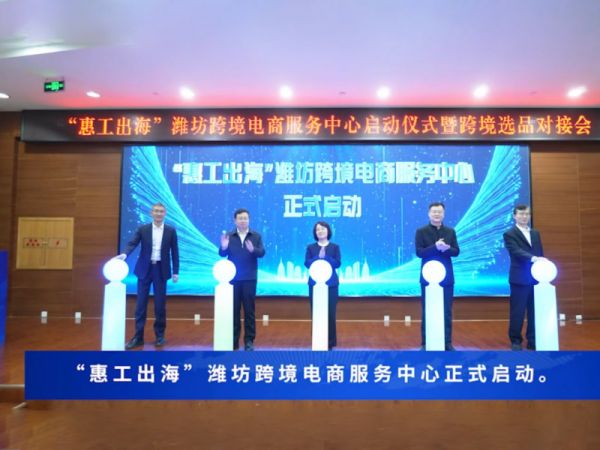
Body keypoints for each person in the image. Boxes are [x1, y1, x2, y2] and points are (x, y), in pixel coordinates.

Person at [117, 202, 179, 349]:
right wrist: (125, 254)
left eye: (161, 211)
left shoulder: (171, 231)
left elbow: (175, 251)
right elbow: (132, 243)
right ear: (151, 213)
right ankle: (138, 337)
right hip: (144, 269)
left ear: (165, 214)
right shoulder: (143, 229)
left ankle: (160, 336)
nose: (158, 213)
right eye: (156, 211)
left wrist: (176, 271)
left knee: (160, 305)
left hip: (161, 270)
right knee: (140, 305)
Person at [415, 202, 460, 351]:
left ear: (443, 214)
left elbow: (456, 252)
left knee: (446, 311)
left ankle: (447, 342)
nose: (437, 214)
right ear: (429, 214)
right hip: (428, 277)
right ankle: (425, 342)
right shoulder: (421, 231)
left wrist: (445, 248)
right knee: (427, 310)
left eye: (439, 212)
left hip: (446, 278)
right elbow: (419, 253)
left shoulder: (450, 231)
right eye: (434, 212)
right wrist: (435, 247)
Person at [219, 208, 265, 351]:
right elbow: (222, 254)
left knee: (249, 310)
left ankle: (249, 341)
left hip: (250, 278)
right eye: (240, 218)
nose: (243, 221)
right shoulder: (229, 236)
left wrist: (253, 250)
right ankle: (233, 340)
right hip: (232, 278)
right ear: (235, 220)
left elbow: (262, 253)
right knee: (234, 310)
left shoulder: (256, 236)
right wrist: (223, 247)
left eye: (245, 218)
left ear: (249, 220)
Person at [503, 204, 545, 351]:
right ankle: (516, 340)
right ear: (515, 216)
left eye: (527, 214)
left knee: (534, 311)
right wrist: (533, 258)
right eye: (521, 214)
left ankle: (532, 340)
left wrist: (542, 267)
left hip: (536, 278)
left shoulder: (535, 233)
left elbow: (540, 253)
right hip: (519, 278)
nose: (524, 216)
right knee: (518, 311)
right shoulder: (509, 233)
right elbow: (515, 251)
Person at [304, 221, 342, 350]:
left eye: (323, 229)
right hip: (315, 285)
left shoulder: (335, 247)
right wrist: (317, 257)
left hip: (331, 285)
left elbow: (337, 263)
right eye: (318, 229)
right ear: (315, 233)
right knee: (316, 313)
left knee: (330, 313)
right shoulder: (310, 247)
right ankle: (317, 340)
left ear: (328, 231)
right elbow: (307, 263)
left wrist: (325, 257)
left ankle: (330, 342)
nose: (320, 231)